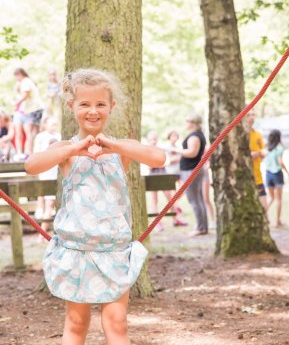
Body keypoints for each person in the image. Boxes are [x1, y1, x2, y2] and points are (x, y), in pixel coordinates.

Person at [25, 68, 165, 345]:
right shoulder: (65, 148)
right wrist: (73, 150)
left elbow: (158, 158)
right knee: (76, 323)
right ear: (71, 106)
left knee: (116, 323)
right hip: (76, 251)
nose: (93, 111)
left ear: (111, 107)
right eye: (85, 104)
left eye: (100, 104)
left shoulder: (119, 148)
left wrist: (113, 144)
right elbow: (32, 165)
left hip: (113, 250)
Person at [179, 113, 209, 236]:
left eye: (187, 121)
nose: (186, 123)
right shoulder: (197, 135)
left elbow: (192, 153)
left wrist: (176, 150)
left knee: (194, 199)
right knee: (198, 199)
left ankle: (200, 227)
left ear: (193, 123)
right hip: (194, 169)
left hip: (191, 170)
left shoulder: (194, 136)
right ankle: (202, 227)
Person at [33, 116, 61, 240]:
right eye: (51, 124)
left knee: (50, 203)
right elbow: (36, 154)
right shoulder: (40, 137)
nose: (53, 127)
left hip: (56, 173)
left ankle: (42, 234)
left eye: (55, 124)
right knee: (46, 200)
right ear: (45, 125)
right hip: (45, 172)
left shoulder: (59, 136)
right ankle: (41, 233)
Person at [158, 130, 187, 228]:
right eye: (172, 136)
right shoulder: (165, 147)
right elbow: (164, 158)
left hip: (178, 172)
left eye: (176, 136)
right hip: (169, 173)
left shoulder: (179, 148)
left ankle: (177, 205)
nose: (174, 138)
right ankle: (175, 215)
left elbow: (182, 158)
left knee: (182, 189)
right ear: (169, 137)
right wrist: (171, 160)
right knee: (172, 195)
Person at [14, 68, 45, 158]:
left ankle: (29, 153)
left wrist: (16, 103)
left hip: (33, 109)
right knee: (35, 132)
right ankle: (34, 152)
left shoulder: (25, 81)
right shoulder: (29, 81)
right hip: (38, 107)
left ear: (19, 74)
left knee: (30, 132)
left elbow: (25, 94)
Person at [264, 130, 289, 227]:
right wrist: (288, 174)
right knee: (278, 199)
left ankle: (263, 215)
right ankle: (277, 221)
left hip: (268, 174)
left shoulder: (267, 148)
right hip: (277, 174)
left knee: (271, 197)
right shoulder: (279, 148)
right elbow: (280, 162)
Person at [246, 110, 268, 210]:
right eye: (248, 115)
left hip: (257, 177)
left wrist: (259, 153)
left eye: (253, 115)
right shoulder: (239, 136)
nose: (251, 117)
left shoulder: (257, 134)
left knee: (264, 207)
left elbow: (264, 152)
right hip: (245, 179)